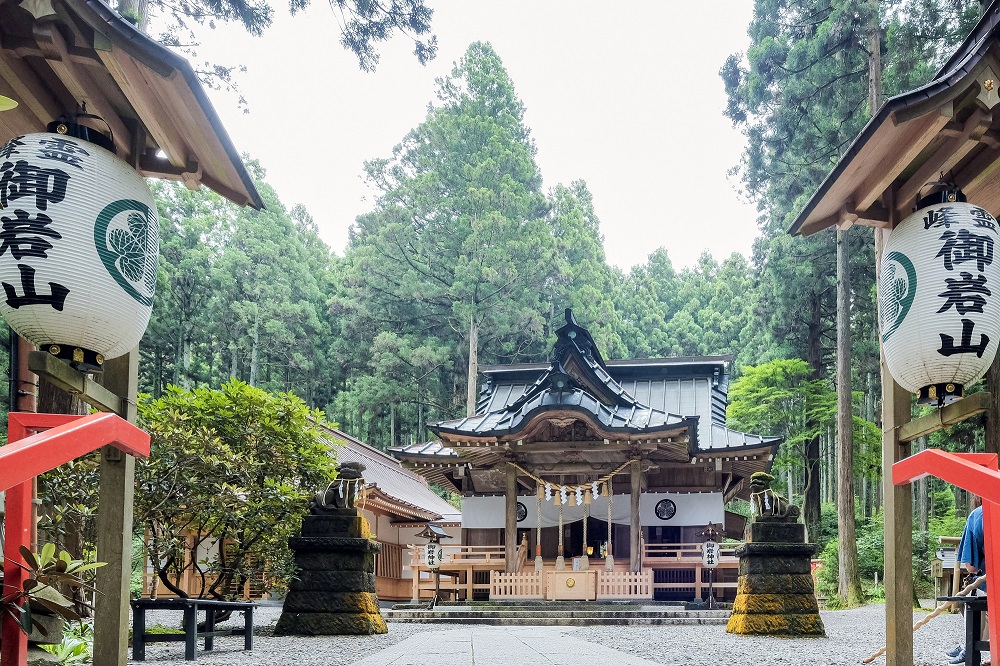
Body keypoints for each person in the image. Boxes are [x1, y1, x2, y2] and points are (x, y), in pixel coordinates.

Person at [946, 496, 986, 665]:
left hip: (989, 584)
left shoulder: (978, 515)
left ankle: (969, 647)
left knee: (979, 597)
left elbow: (970, 566)